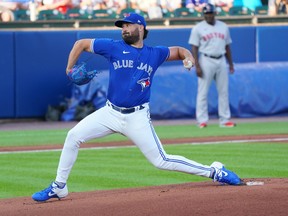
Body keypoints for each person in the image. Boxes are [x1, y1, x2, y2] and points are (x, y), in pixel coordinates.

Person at [31, 12, 241, 202]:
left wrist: (188, 57)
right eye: (122, 26)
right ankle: (59, 186)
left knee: (161, 160)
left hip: (137, 117)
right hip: (110, 112)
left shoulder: (154, 53)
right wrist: (69, 69)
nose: (123, 29)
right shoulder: (113, 46)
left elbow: (178, 50)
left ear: (140, 28)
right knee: (73, 136)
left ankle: (214, 171)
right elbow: (81, 44)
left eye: (127, 25)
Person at [188, 3, 236, 128]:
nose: (208, 15)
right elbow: (194, 48)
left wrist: (230, 63)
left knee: (223, 91)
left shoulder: (223, 26)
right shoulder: (198, 28)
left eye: (210, 13)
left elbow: (227, 46)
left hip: (221, 59)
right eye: (206, 13)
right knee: (203, 92)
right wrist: (197, 66)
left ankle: (225, 120)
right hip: (206, 59)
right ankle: (202, 120)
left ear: (215, 13)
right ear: (203, 14)